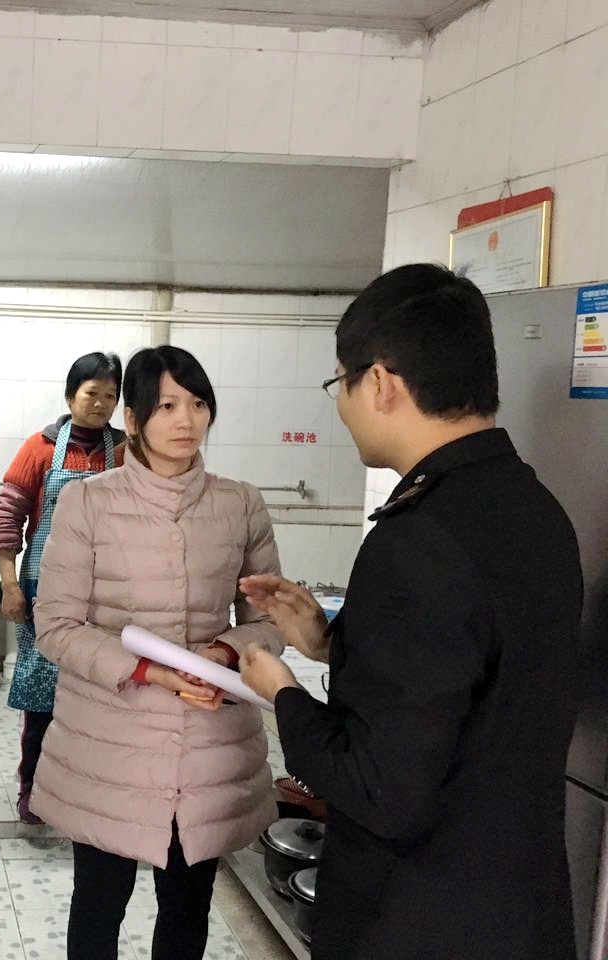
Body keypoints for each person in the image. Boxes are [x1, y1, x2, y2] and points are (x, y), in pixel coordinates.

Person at [238, 264, 582, 960]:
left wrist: (282, 693)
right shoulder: (537, 509)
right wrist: (333, 643)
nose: (341, 406)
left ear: (381, 382)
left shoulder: (417, 537)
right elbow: (473, 681)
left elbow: (377, 787)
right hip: (521, 909)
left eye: (341, 383)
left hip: (421, 918)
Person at [31, 345, 284, 960]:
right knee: (98, 907)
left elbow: (268, 620)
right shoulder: (88, 501)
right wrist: (148, 670)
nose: (186, 420)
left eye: (198, 404)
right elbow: (56, 626)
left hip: (207, 748)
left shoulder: (240, 503)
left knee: (187, 910)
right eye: (167, 406)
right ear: (133, 419)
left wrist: (225, 653)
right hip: (110, 746)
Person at [0, 351, 125, 824]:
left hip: (106, 593)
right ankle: (34, 785)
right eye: (92, 393)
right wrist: (10, 586)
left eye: (110, 395)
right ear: (71, 396)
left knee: (98, 693)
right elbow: (7, 519)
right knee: (42, 694)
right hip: (44, 588)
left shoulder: (126, 452)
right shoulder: (40, 448)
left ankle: (87, 786)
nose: (101, 403)